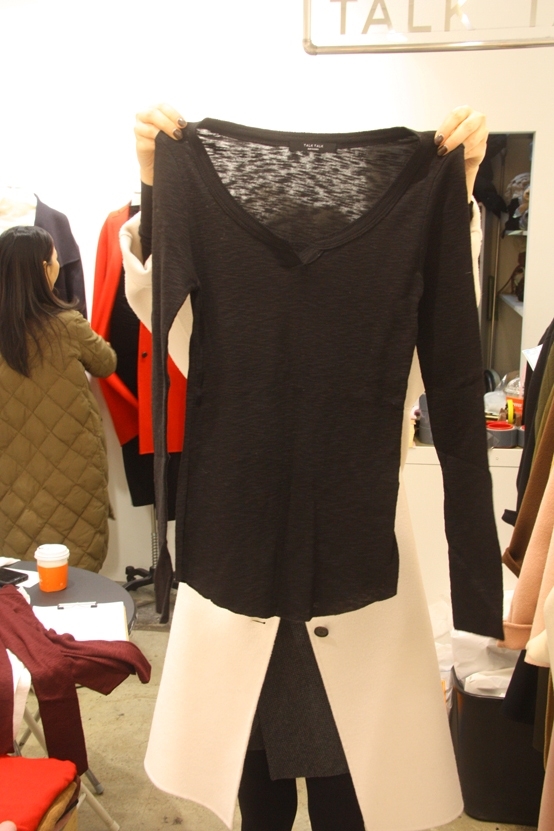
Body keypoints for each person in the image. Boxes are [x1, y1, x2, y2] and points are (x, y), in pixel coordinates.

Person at [123, 105, 496, 831]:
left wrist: (456, 198)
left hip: (356, 563)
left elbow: (444, 360)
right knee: (255, 782)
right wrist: (158, 188)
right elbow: (166, 316)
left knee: (348, 789)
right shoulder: (215, 283)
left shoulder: (398, 265)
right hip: (241, 570)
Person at [0, 226, 116, 570]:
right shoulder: (66, 325)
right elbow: (106, 363)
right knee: (74, 567)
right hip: (72, 471)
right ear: (44, 268)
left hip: (9, 479)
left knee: (18, 570)